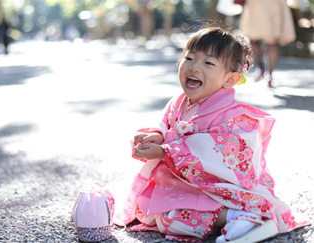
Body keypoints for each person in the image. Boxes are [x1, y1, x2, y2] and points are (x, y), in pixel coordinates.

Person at [110, 26, 309, 242]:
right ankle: (231, 219)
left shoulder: (234, 117)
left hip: (220, 186)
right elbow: (165, 124)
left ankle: (241, 216)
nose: (195, 67)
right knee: (149, 210)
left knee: (176, 219)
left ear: (230, 80)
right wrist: (158, 135)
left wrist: (165, 151)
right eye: (190, 58)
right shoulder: (178, 102)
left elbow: (219, 151)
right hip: (186, 180)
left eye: (208, 63)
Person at [239, 0, 296, 88]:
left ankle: (261, 68)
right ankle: (269, 74)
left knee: (254, 40)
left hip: (256, 5)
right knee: (271, 42)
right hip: (273, 5)